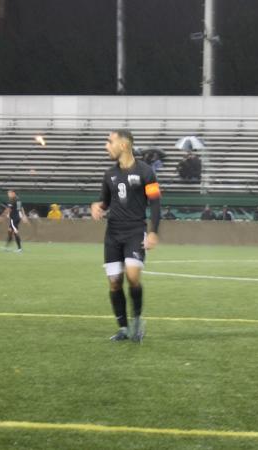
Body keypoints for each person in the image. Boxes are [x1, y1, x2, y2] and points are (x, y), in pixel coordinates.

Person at [91, 130, 161, 343]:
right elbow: (104, 201)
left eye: (109, 142)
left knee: (132, 276)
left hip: (134, 232)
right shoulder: (109, 174)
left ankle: (137, 320)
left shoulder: (146, 172)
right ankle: (123, 328)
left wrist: (153, 232)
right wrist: (97, 206)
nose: (106, 146)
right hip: (113, 234)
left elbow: (156, 203)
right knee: (114, 282)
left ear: (123, 145)